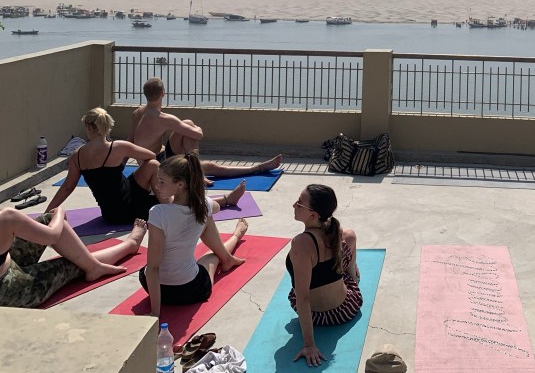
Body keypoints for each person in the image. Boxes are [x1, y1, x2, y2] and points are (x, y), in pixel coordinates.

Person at [0, 166, 145, 308]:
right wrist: (60, 213)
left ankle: (94, 264)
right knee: (73, 263)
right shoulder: (6, 218)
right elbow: (52, 235)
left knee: (47, 219)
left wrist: (52, 217)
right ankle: (127, 246)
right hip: (7, 296)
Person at [46, 108, 247, 224]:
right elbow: (151, 156)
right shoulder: (118, 147)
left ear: (89, 128)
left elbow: (67, 187)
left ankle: (179, 203)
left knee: (151, 173)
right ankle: (218, 201)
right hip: (131, 208)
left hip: (109, 213)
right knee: (152, 166)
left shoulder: (77, 155)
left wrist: (47, 211)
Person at [140, 153, 248, 318]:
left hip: (159, 291)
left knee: (146, 270)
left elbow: (153, 268)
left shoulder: (158, 213)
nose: (157, 185)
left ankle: (228, 254)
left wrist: (155, 312)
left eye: (162, 182)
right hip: (190, 290)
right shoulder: (203, 204)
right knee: (210, 256)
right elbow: (214, 207)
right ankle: (234, 241)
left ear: (180, 185)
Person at [129, 78, 283, 182]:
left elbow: (130, 141)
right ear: (163, 93)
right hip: (158, 164)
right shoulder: (164, 118)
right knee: (211, 166)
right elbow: (198, 134)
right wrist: (198, 127)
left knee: (187, 123)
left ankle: (193, 167)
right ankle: (257, 168)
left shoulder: (137, 113)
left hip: (157, 157)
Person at [287, 184, 361, 367]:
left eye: (299, 203)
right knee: (350, 236)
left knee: (299, 285)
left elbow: (302, 298)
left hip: (318, 316)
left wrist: (309, 345)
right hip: (348, 307)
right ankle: (353, 277)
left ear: (313, 215)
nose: (294, 205)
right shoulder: (333, 230)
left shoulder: (301, 243)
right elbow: (347, 237)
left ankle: (350, 276)